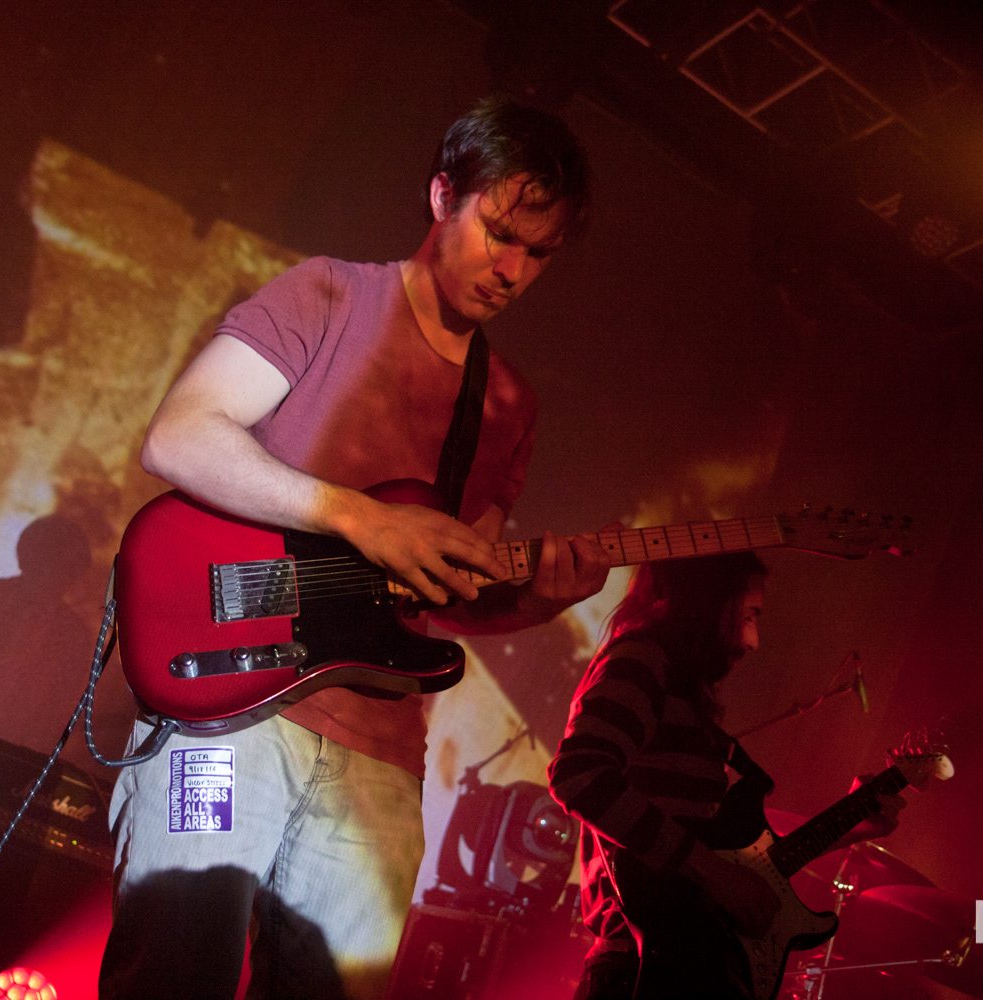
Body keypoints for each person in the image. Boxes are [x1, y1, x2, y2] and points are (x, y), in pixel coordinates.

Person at [99, 96, 612, 1000]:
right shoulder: (329, 295)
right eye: (498, 233)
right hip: (227, 715)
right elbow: (180, 436)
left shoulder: (509, 405)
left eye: (538, 254)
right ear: (442, 196)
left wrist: (539, 599)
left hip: (379, 757)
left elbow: (442, 589)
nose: (512, 269)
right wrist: (360, 518)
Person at [547, 553, 906, 1000]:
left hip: (687, 966)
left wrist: (851, 829)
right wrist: (714, 873)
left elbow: (735, 862)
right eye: (749, 615)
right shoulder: (640, 661)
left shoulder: (682, 694)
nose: (754, 641)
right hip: (642, 970)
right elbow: (579, 774)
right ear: (709, 603)